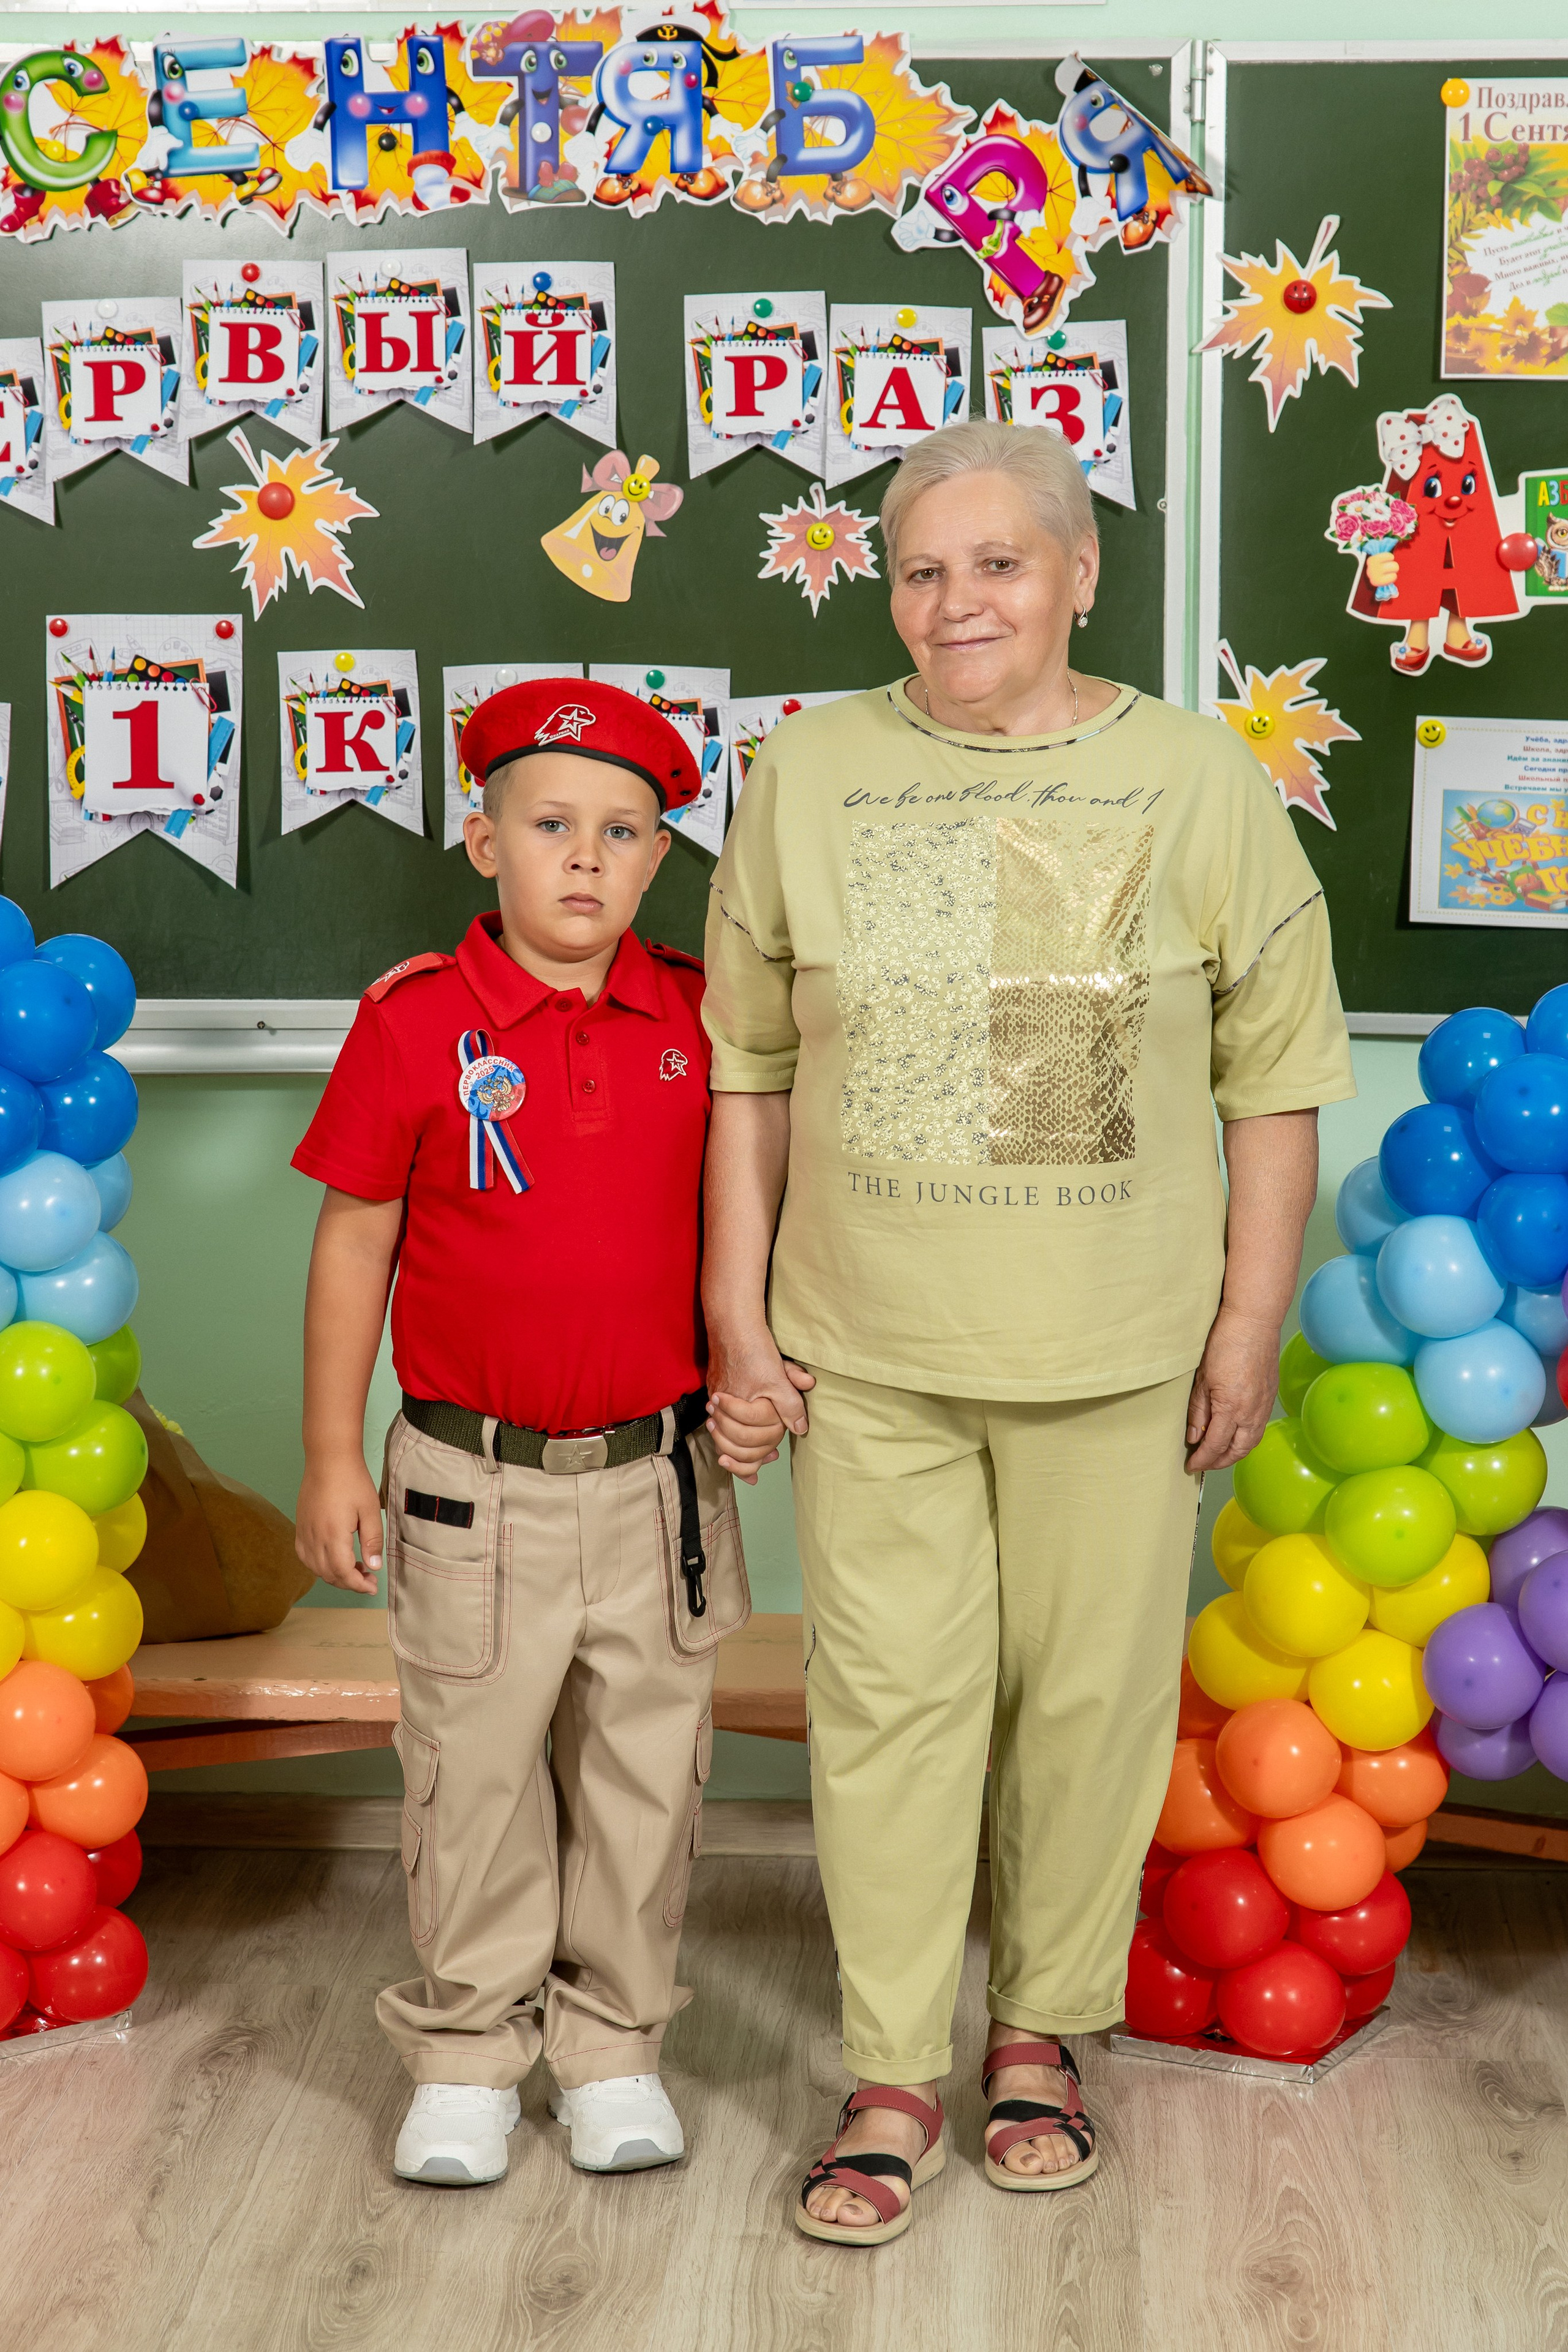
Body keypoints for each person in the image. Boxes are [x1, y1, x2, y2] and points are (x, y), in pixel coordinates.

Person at [700, 418, 1355, 2244]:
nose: (954, 601)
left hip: (1119, 1346)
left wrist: (1247, 1321)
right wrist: (735, 1321)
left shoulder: (1199, 780)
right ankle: (896, 2064)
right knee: (887, 1714)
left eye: (998, 563)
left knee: (1087, 1708)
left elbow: (1281, 1082)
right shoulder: (811, 773)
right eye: (921, 570)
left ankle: (1043, 2035)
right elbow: (748, 1071)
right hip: (870, 1344)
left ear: (1079, 576)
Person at [292, 679, 748, 2188]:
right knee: (472, 1776)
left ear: (658, 858)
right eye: (550, 824)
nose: (585, 859)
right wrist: (329, 1455)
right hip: (464, 1485)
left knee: (644, 1776)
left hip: (657, 1480)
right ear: (480, 837)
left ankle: (614, 2046)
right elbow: (353, 1244)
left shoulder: (696, 1014)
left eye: (624, 832)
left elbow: (753, 1225)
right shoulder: (415, 1020)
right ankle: (469, 2056)